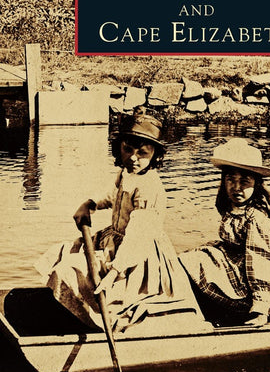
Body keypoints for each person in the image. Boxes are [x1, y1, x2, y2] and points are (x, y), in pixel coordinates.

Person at [36, 109, 206, 334]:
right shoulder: (126, 173)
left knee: (79, 275)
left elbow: (138, 236)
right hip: (116, 241)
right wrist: (90, 204)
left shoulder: (149, 187)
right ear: (119, 148)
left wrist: (114, 272)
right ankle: (78, 316)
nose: (133, 158)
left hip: (138, 256)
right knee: (63, 254)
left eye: (142, 153)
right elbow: (112, 195)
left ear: (155, 154)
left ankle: (104, 326)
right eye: (128, 150)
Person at [179, 138, 270, 327]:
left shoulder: (256, 218)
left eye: (244, 181)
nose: (236, 187)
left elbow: (261, 261)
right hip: (242, 268)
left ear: (256, 184)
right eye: (230, 179)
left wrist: (260, 308)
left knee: (196, 262)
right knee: (190, 258)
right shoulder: (233, 207)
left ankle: (252, 310)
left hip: (264, 279)